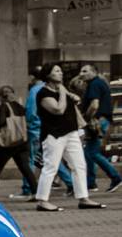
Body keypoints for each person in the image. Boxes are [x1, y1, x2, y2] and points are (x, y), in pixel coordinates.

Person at [34, 64, 105, 211]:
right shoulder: (43, 93)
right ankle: (42, 201)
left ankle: (83, 198)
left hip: (71, 132)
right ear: (48, 75)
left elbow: (72, 108)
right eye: (56, 71)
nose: (60, 73)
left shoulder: (62, 90)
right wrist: (63, 92)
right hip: (54, 135)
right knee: (51, 167)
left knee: (79, 165)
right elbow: (58, 109)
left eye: (60, 71)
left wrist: (81, 127)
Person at [76, 63, 122, 193]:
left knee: (92, 152)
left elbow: (94, 105)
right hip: (101, 120)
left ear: (94, 72)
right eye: (81, 71)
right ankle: (91, 183)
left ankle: (115, 177)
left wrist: (86, 118)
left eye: (85, 71)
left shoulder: (94, 84)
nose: (81, 74)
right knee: (89, 152)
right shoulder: (99, 83)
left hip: (97, 121)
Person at [26, 71, 72, 196]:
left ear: (33, 77)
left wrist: (29, 124)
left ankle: (28, 188)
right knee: (51, 158)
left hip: (37, 128)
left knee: (36, 159)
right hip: (52, 127)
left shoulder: (36, 90)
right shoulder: (54, 89)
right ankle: (70, 183)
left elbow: (31, 112)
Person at [0, 85, 36, 198]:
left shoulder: (4, 106)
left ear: (1, 97)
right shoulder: (20, 106)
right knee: (25, 168)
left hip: (8, 144)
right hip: (22, 142)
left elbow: (1, 121)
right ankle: (35, 192)